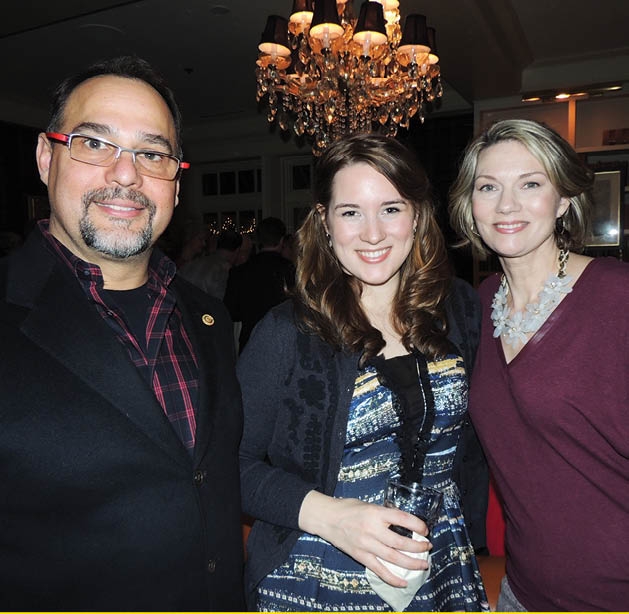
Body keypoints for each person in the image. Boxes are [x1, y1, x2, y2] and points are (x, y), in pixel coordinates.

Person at [0, 56, 244, 610]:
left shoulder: (207, 316)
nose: (126, 174)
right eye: (94, 144)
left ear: (176, 185)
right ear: (46, 157)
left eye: (152, 154)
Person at [238, 133, 489, 611]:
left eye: (391, 209)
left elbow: (473, 447)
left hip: (440, 571)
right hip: (317, 574)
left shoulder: (457, 307)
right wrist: (330, 516)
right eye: (350, 211)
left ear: (417, 216)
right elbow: (227, 463)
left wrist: (475, 540)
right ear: (325, 223)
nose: (373, 233)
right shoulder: (287, 331)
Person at [449, 118, 629, 611]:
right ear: (471, 206)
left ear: (564, 200)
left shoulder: (617, 297)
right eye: (489, 187)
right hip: (522, 591)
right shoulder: (479, 305)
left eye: (530, 184)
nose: (507, 205)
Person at [224, 216, 295, 351]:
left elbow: (231, 312)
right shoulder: (291, 271)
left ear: (258, 240)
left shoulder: (240, 272)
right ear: (281, 241)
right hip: (284, 344)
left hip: (251, 342)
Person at [179, 228, 243, 299]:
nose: (203, 244)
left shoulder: (190, 265)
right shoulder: (227, 272)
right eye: (200, 239)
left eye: (205, 240)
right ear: (237, 251)